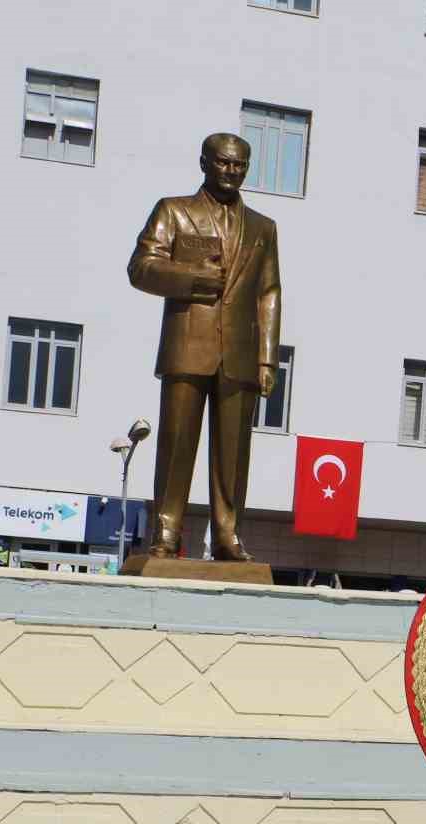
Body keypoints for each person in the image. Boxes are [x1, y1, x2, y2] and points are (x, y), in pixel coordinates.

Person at [127, 132, 282, 562]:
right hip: (187, 346)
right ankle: (167, 530)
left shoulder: (263, 228)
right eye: (224, 163)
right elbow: (141, 267)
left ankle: (228, 535)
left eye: (240, 164)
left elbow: (269, 292)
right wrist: (194, 278)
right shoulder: (174, 212)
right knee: (176, 446)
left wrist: (268, 357)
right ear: (204, 163)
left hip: (241, 354)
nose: (232, 171)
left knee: (233, 454)